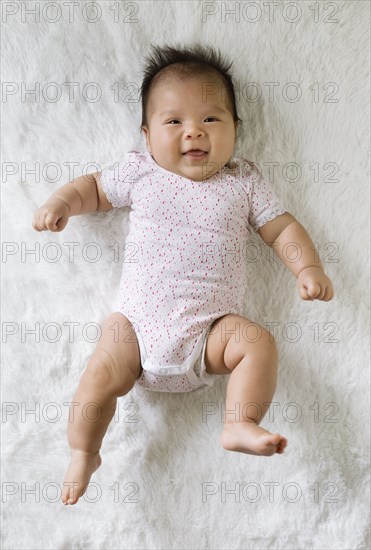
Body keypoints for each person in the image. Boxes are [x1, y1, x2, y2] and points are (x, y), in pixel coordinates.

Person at [32, 44, 334, 505]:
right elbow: (92, 188)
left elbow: (282, 228)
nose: (194, 131)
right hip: (134, 330)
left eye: (211, 119)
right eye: (174, 122)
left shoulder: (243, 181)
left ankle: (239, 421)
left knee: (257, 344)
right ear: (147, 135)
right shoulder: (141, 172)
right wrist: (61, 203)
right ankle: (83, 450)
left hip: (209, 333)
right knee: (99, 375)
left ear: (236, 129)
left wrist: (306, 266)